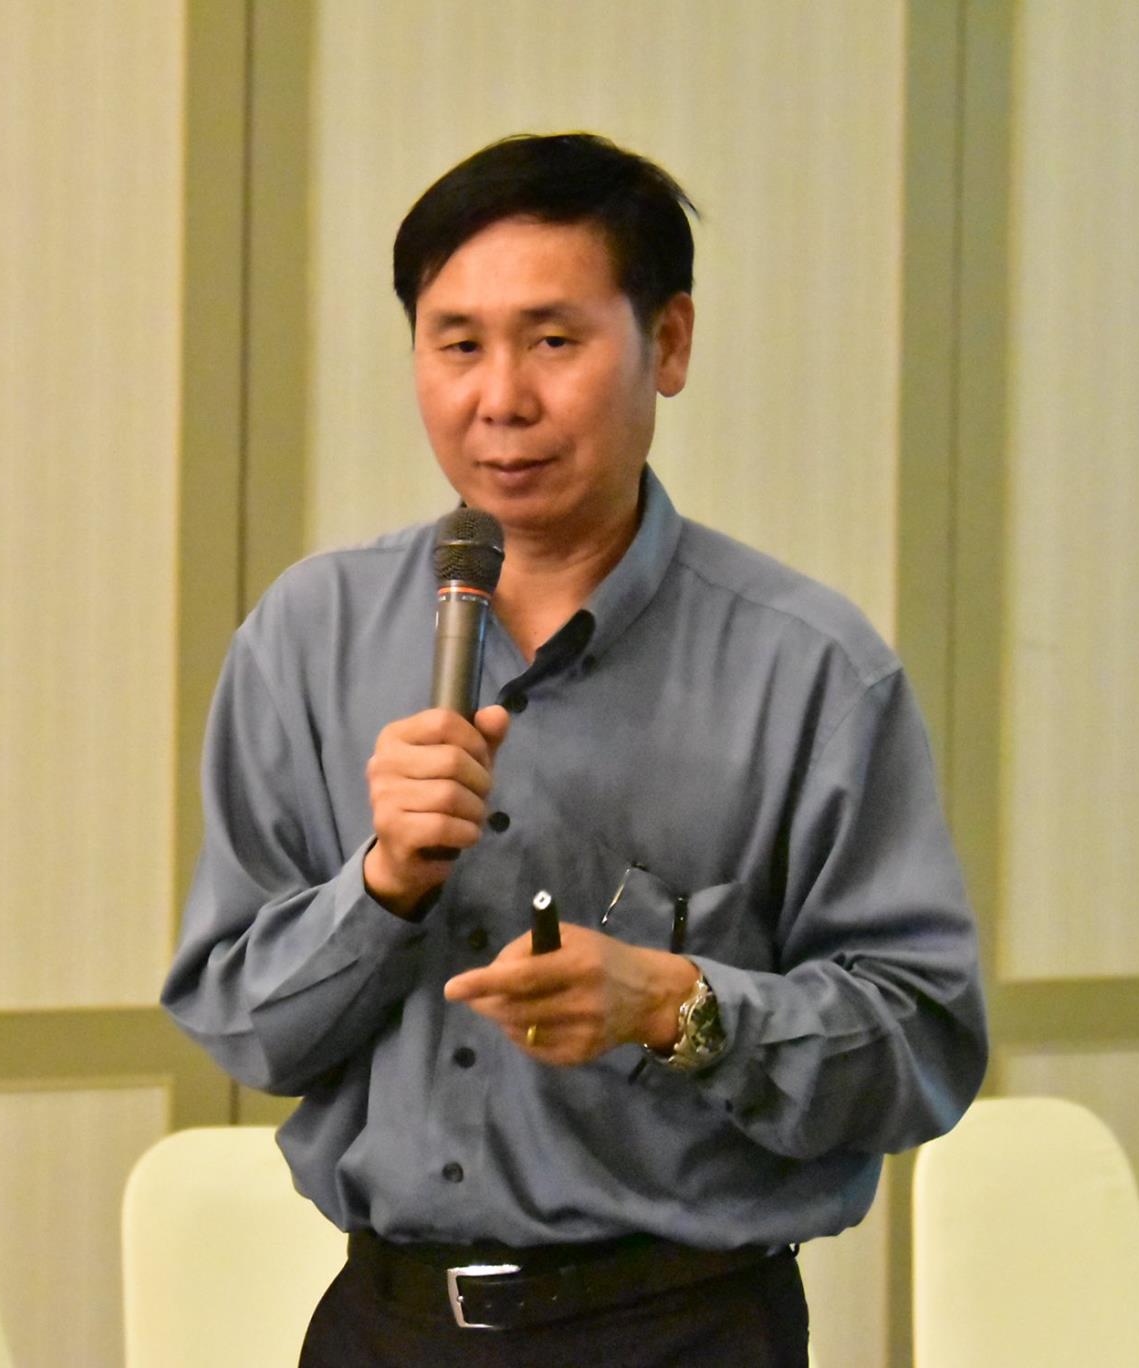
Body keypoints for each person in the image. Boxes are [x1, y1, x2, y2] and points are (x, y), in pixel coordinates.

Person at [163, 132, 988, 1365]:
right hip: (387, 1328)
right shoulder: (307, 636)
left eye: (552, 341)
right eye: (456, 344)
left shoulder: (807, 669)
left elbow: (920, 1049)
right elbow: (239, 1026)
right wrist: (380, 887)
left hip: (681, 1331)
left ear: (668, 344)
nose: (500, 398)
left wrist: (672, 1005)